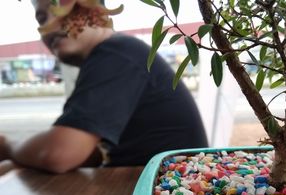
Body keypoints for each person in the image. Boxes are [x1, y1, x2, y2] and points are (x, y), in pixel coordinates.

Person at [0, 0, 208, 173]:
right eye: (42, 18)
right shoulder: (115, 54)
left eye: (63, 7)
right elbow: (89, 153)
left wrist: (7, 146)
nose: (52, 25)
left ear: (96, 11)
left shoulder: (116, 54)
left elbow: (60, 153)